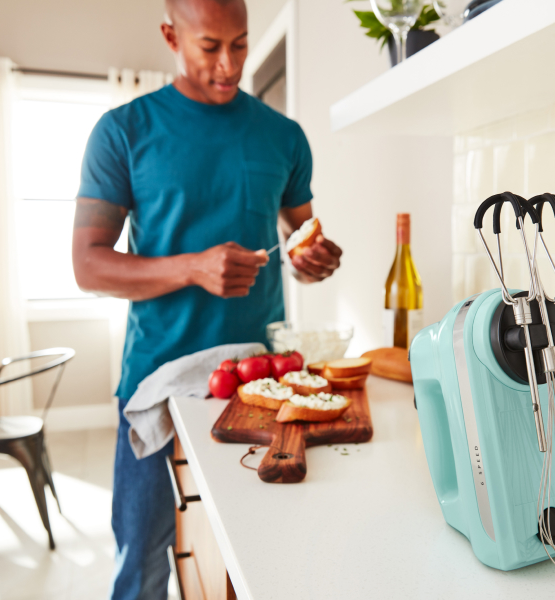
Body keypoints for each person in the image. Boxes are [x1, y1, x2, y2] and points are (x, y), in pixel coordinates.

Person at [72, 0, 342, 597]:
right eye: (209, 47)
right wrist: (193, 268)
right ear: (171, 36)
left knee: (253, 562)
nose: (229, 64)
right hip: (156, 381)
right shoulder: (123, 132)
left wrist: (311, 262)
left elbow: (302, 240)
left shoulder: (284, 137)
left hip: (259, 387)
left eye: (240, 45)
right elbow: (87, 265)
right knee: (141, 564)